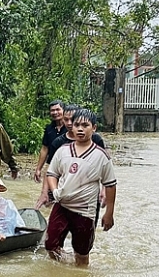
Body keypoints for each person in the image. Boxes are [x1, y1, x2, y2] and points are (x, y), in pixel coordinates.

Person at [44, 108, 117, 267]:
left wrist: (109, 213)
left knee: (82, 253)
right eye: (77, 125)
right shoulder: (62, 150)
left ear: (94, 128)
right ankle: (67, 266)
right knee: (50, 245)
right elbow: (51, 173)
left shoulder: (101, 156)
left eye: (85, 125)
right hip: (62, 205)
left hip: (85, 210)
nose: (80, 129)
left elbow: (110, 184)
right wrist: (54, 191)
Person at [35, 104, 107, 209]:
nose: (69, 123)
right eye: (66, 119)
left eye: (72, 120)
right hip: (62, 187)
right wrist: (44, 192)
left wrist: (104, 190)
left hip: (87, 192)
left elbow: (104, 168)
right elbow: (50, 169)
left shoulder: (95, 140)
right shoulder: (58, 142)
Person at [33, 100, 66, 184]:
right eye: (52, 110)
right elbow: (45, 149)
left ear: (64, 110)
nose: (55, 112)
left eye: (58, 109)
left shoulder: (70, 128)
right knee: (48, 192)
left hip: (67, 165)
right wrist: (38, 169)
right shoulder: (49, 129)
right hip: (51, 165)